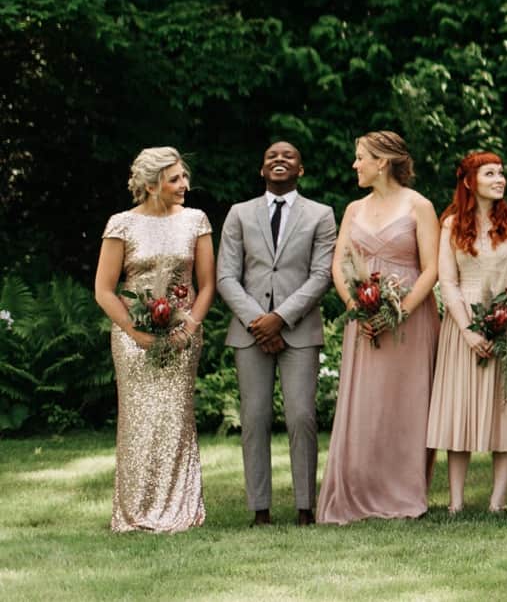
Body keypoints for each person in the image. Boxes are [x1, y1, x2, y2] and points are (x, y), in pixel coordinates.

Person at [317, 131, 441, 524]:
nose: (355, 165)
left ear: (382, 162)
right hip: (365, 319)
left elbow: (432, 268)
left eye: (360, 158)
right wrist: (357, 306)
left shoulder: (419, 206)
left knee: (405, 404)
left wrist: (398, 311)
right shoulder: (354, 209)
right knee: (366, 406)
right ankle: (359, 490)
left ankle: (404, 492)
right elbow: (339, 264)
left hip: (410, 318)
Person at [93, 147, 216, 532]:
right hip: (133, 339)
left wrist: (189, 328)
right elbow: (104, 289)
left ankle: (181, 510)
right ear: (151, 185)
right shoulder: (121, 224)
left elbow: (207, 284)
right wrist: (134, 331)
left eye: (184, 176)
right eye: (175, 178)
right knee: (137, 421)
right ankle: (134, 512)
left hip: (183, 337)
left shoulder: (196, 221)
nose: (185, 185)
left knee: (176, 420)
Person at [215, 140, 337, 525]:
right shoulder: (239, 214)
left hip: (298, 331)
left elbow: (321, 276)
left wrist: (280, 318)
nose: (279, 160)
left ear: (300, 170)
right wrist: (260, 321)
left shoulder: (321, 215)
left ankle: (305, 507)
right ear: (262, 169)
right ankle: (260, 510)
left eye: (289, 156)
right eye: (271, 156)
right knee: (255, 417)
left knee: (301, 415)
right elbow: (225, 276)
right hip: (250, 332)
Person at [427, 152, 507, 513]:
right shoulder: (451, 224)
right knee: (460, 410)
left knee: (504, 409)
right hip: (462, 325)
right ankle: (455, 503)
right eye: (490, 173)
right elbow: (447, 281)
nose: (499, 179)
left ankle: (497, 503)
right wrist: (469, 330)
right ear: (469, 181)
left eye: (502, 173)